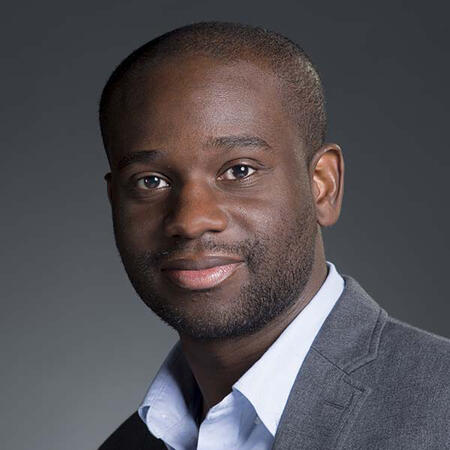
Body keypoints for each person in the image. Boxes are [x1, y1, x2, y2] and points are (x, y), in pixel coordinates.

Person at [97, 21, 449, 450]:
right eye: (150, 181)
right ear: (115, 201)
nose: (191, 220)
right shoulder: (129, 444)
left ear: (323, 186)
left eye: (239, 170)